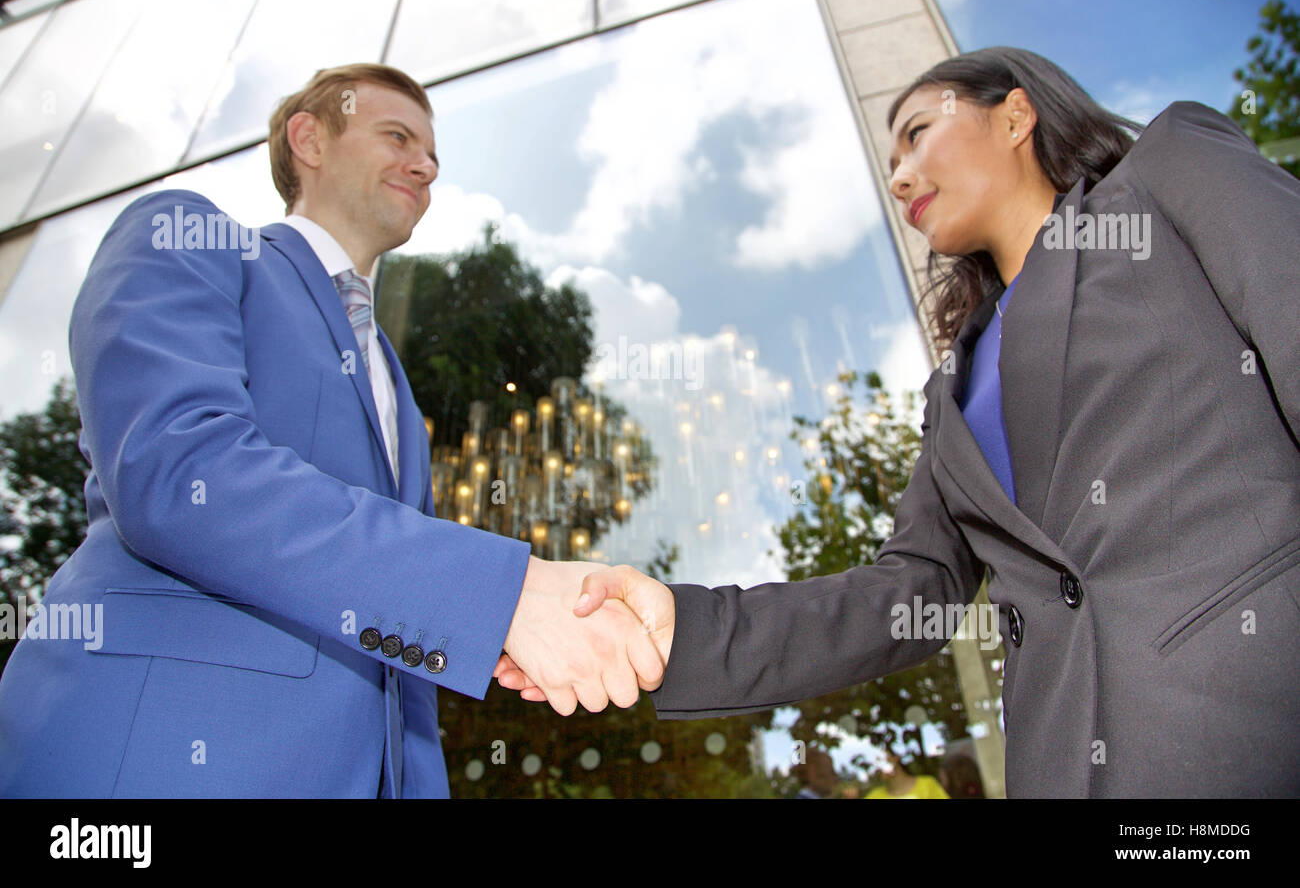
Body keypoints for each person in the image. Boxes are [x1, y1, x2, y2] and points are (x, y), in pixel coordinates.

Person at [496, 47, 1300, 798]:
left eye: (918, 135)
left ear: (1016, 116)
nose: (901, 176)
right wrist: (682, 629)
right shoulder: (950, 396)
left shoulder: (1167, 175)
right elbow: (908, 596)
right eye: (891, 165)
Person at [0, 63, 666, 798]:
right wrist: (504, 596)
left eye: (434, 156)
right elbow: (181, 472)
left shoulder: (399, 391)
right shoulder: (186, 236)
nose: (425, 165)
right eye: (398, 136)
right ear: (309, 138)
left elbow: (395, 643)